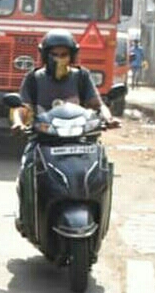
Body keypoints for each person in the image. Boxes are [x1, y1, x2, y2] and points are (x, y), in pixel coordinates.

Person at [10, 30, 119, 235]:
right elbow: (22, 107)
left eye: (64, 54)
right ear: (45, 56)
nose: (59, 59)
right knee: (26, 168)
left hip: (79, 139)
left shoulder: (81, 76)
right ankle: (26, 215)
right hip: (44, 139)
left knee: (101, 166)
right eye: (55, 55)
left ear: (72, 56)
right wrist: (18, 122)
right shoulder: (34, 79)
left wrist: (108, 118)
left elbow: (97, 105)